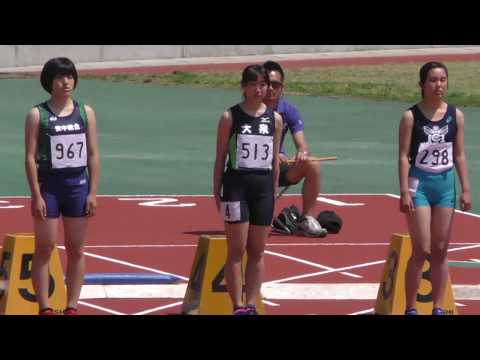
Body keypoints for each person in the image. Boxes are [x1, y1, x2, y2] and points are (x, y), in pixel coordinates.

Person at [24, 57, 100, 315]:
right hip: (50, 187)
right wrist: (36, 195)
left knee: (77, 248)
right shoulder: (38, 115)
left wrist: (93, 192)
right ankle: (44, 307)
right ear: (49, 82)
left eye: (69, 76)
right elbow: (29, 157)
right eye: (60, 77)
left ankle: (72, 306)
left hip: (78, 185)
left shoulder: (85, 112)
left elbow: (93, 155)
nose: (66, 81)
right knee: (45, 246)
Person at [398, 61, 471, 315]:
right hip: (420, 184)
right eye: (432, 80)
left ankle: (438, 307)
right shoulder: (411, 117)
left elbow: (459, 154)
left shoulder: (455, 115)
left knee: (440, 249)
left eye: (442, 80)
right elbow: (403, 155)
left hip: (445, 185)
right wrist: (404, 191)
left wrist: (466, 188)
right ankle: (410, 307)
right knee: (422, 248)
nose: (438, 85)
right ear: (422, 85)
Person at [213, 64, 282, 315]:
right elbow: (221, 157)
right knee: (236, 250)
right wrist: (216, 190)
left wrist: (274, 192)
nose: (258, 89)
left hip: (263, 189)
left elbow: (274, 160)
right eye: (252, 84)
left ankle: (251, 303)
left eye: (263, 84)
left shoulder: (274, 119)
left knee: (257, 250)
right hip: (236, 188)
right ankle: (238, 306)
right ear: (243, 87)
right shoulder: (230, 117)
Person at [262, 60, 326, 236]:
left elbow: (302, 145)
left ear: (282, 87)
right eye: (267, 84)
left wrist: (302, 153)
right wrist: (274, 155)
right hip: (256, 169)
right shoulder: (251, 109)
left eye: (276, 85)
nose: (271, 89)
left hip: (279, 168)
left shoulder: (289, 110)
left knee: (312, 164)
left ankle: (306, 219)